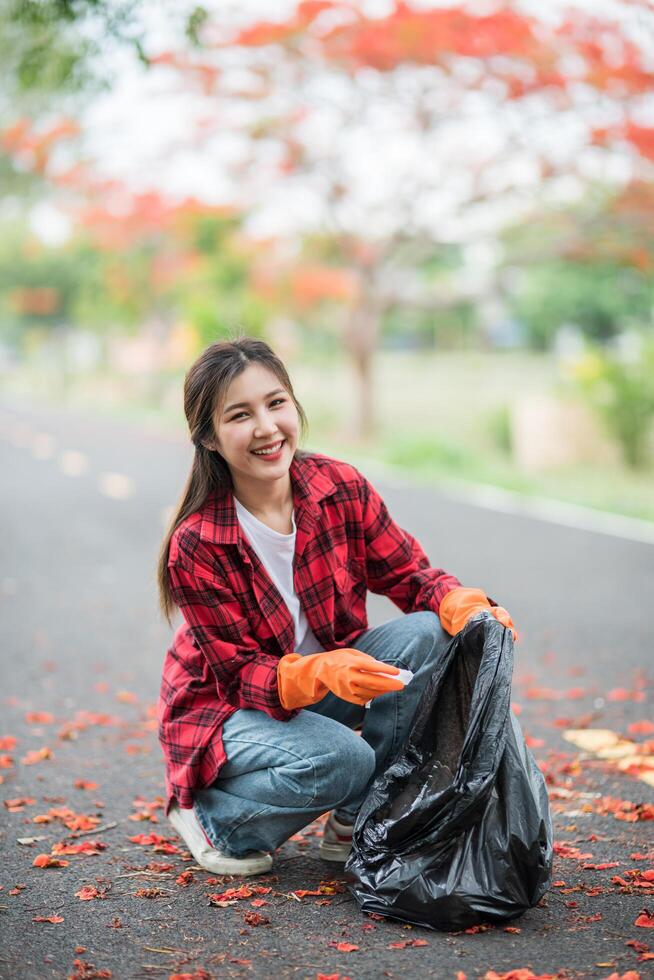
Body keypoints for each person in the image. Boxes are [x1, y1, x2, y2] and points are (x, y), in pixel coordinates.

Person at [156, 336, 517, 877]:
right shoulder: (199, 541)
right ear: (208, 436)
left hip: (321, 684)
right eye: (240, 415)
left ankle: (356, 820)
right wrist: (320, 669)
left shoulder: (337, 486)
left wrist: (461, 603)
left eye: (276, 403)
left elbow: (408, 574)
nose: (267, 427)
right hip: (225, 709)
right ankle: (213, 818)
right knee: (342, 760)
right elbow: (236, 676)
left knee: (428, 633)